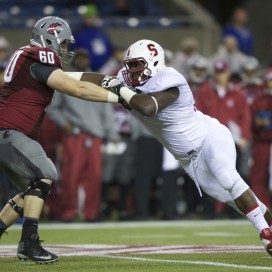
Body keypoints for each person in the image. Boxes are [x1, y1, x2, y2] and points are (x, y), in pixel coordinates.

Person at [101, 39, 272, 257]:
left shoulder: (170, 78)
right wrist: (60, 80)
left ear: (153, 62)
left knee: (227, 176)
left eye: (137, 64)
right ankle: (270, 225)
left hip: (209, 136)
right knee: (242, 202)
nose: (131, 70)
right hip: (190, 159)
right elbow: (97, 84)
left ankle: (265, 234)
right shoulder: (125, 80)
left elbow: (146, 106)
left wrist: (120, 90)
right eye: (130, 64)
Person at [0, 16, 120, 264]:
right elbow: (77, 88)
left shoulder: (28, 56)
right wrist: (119, 99)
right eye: (63, 43)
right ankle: (29, 243)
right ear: (50, 37)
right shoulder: (40, 55)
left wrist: (108, 82)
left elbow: (79, 78)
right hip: (10, 130)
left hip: (8, 131)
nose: (64, 49)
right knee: (47, 173)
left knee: (34, 189)